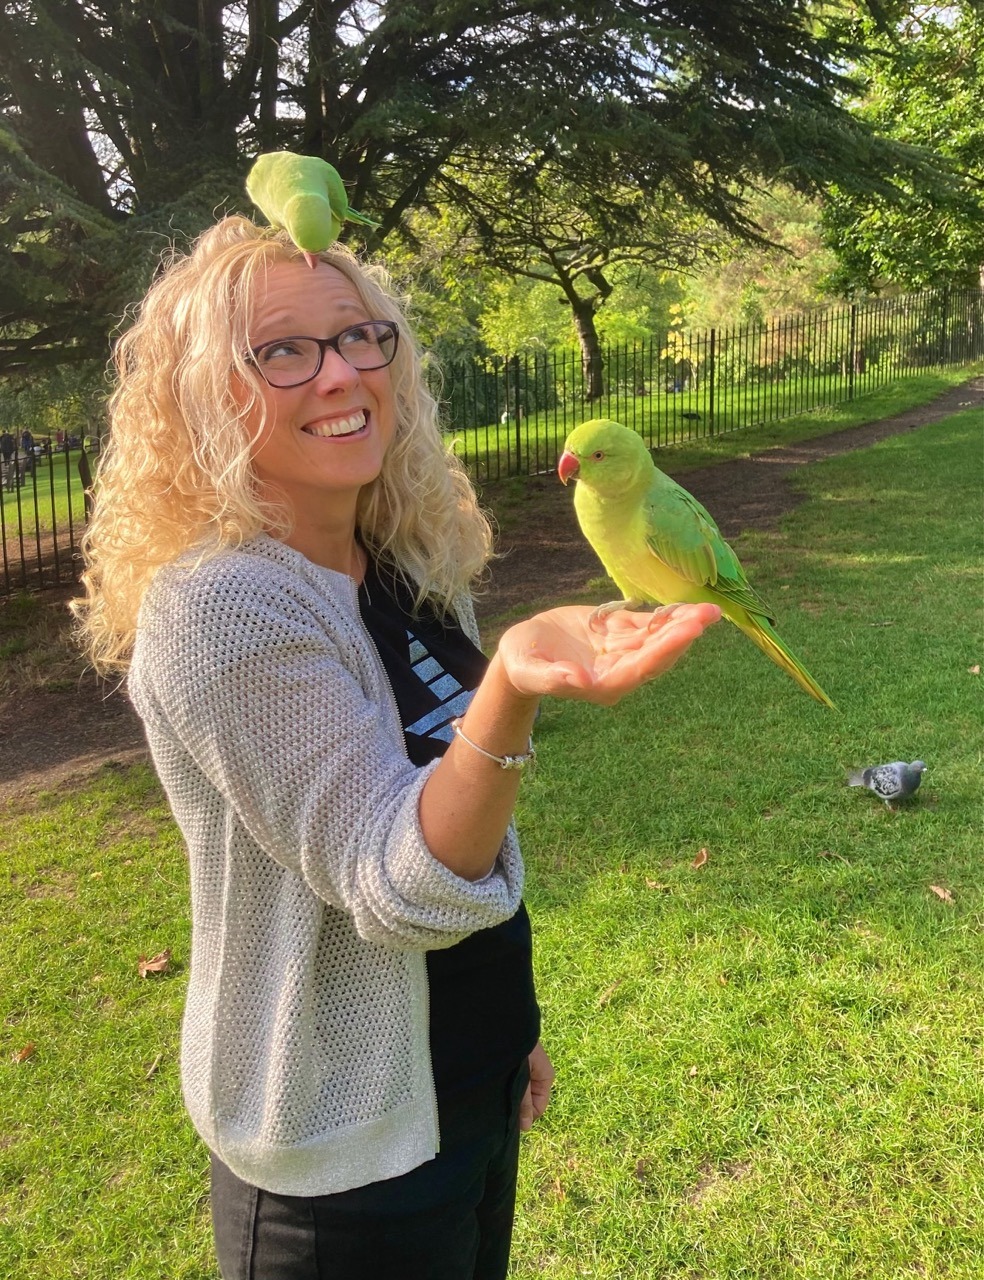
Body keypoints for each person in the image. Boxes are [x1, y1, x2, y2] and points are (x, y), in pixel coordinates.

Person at [74, 215, 720, 1279]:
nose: (341, 373)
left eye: (361, 336)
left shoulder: (399, 565)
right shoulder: (221, 609)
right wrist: (508, 686)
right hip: (340, 1168)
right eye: (283, 349)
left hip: (455, 1095)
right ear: (203, 398)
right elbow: (395, 879)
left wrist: (495, 1029)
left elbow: (442, 817)